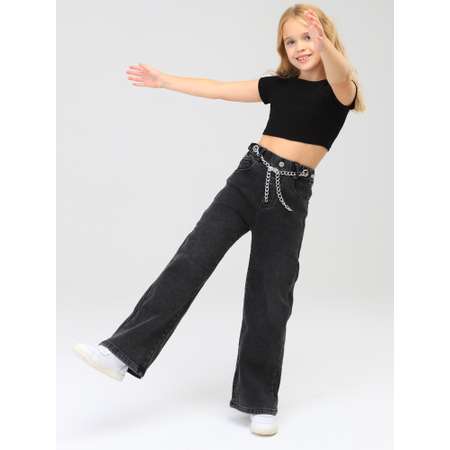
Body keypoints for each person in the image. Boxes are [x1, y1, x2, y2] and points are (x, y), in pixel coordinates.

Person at [73, 3, 365, 437]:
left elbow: (339, 73)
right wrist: (165, 80)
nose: (301, 47)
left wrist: (327, 47)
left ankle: (259, 400)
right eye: (291, 41)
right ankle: (121, 353)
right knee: (191, 260)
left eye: (309, 37)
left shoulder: (342, 90)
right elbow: (218, 89)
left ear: (326, 38)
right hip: (248, 178)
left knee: (270, 295)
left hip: (289, 197)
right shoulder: (278, 86)